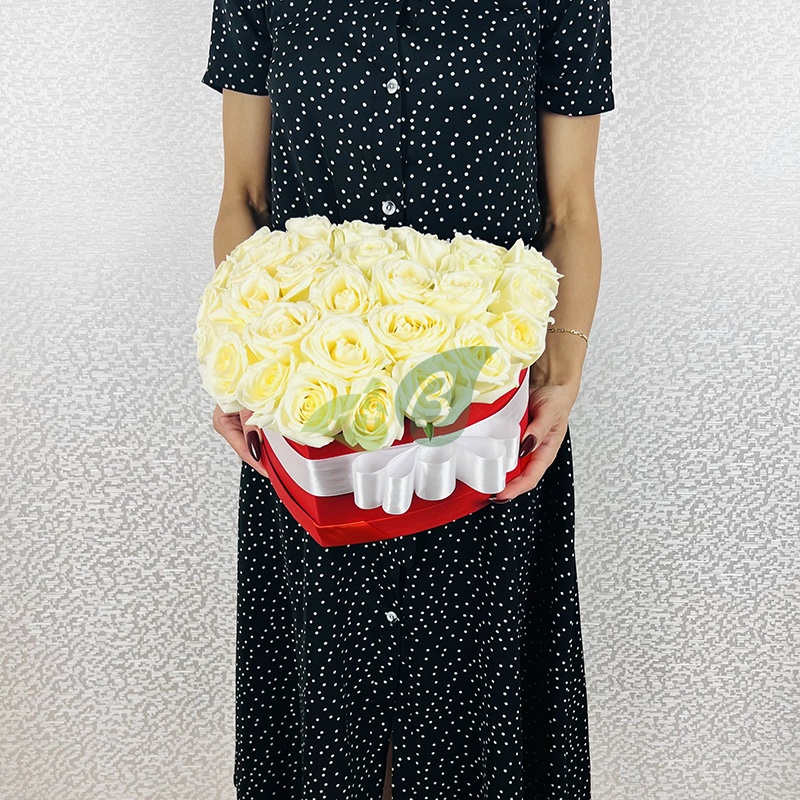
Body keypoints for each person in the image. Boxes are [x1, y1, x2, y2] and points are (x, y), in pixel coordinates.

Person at [200, 0, 615, 797]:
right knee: (327, 710)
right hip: (316, 423)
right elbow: (244, 199)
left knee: (470, 718)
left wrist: (562, 375)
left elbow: (570, 208)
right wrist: (246, 360)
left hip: (484, 422)